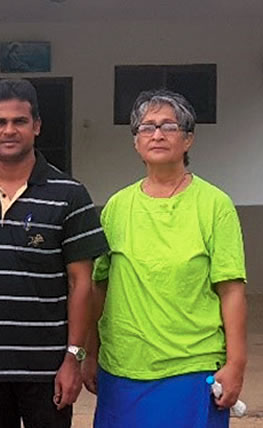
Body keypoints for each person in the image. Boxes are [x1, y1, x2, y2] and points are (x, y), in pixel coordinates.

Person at [82, 89, 247, 428]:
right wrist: (91, 354)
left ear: (188, 140)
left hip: (191, 367)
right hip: (122, 369)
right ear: (135, 142)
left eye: (169, 126)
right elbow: (100, 287)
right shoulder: (117, 206)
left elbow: (231, 290)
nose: (157, 134)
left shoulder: (214, 205)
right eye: (146, 127)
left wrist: (236, 363)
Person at [0, 79, 108, 428]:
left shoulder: (70, 195)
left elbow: (81, 283)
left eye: (19, 121)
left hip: (47, 369)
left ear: (36, 126)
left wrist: (74, 357)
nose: (9, 130)